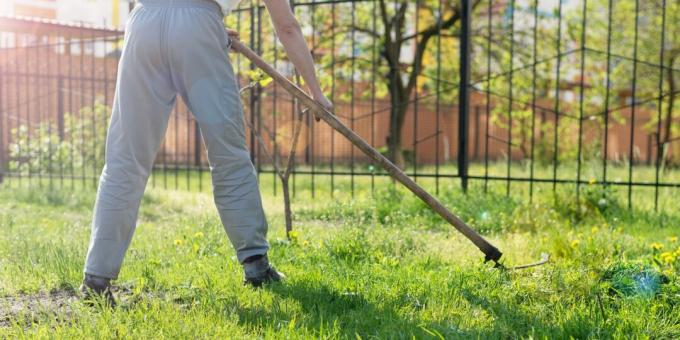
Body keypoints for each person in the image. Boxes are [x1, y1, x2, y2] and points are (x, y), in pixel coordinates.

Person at [80, 0, 333, 305]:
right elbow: (287, 26)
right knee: (228, 155)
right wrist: (316, 92)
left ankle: (96, 280)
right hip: (199, 25)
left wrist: (184, 21)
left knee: (125, 159)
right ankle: (256, 265)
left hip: (143, 21)